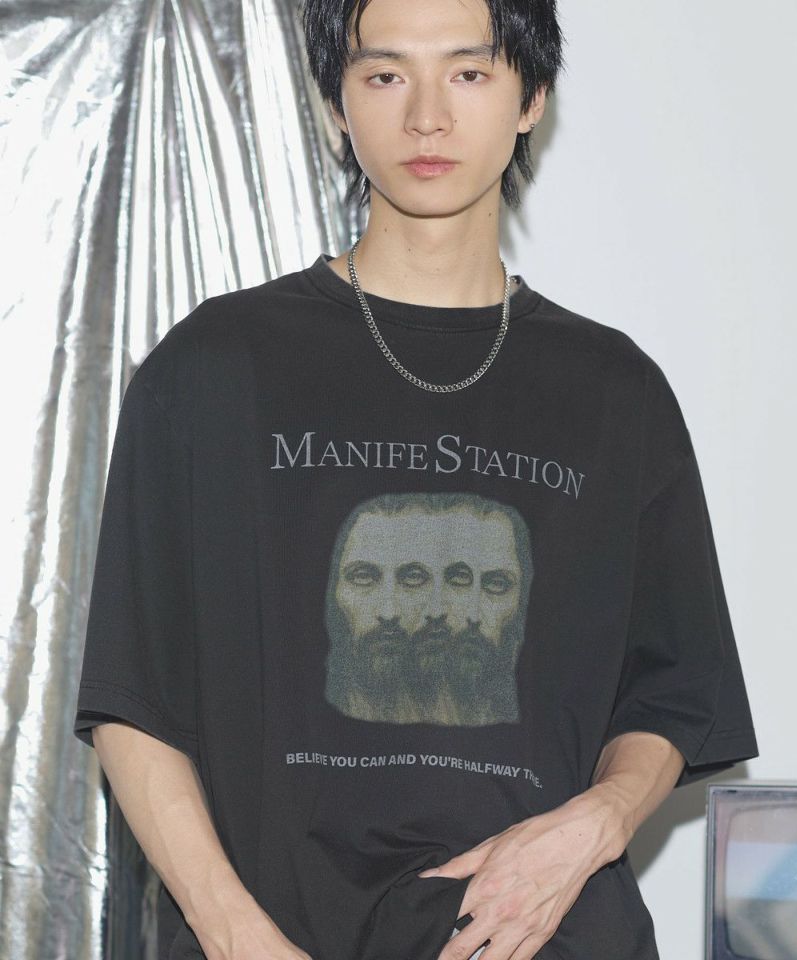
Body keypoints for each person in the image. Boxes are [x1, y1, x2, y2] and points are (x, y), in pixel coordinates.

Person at [72, 0, 759, 958]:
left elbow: (675, 694)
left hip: (543, 939)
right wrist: (236, 935)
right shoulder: (213, 368)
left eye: (469, 73)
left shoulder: (616, 391)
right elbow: (132, 697)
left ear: (532, 97)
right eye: (385, 74)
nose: (426, 116)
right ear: (336, 101)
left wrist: (596, 823)